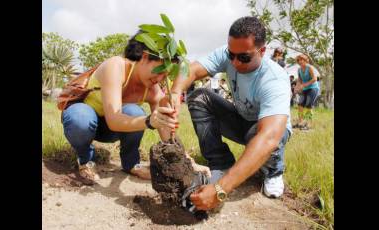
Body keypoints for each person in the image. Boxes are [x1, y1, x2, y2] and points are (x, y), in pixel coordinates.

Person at [165, 16, 292, 211]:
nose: (235, 62)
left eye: (244, 57)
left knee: (259, 136)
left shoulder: (274, 80)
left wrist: (220, 189)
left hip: (265, 130)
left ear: (262, 51)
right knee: (199, 97)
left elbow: (269, 137)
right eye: (231, 54)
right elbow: (192, 70)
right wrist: (175, 92)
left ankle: (273, 172)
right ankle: (220, 163)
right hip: (241, 118)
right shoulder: (230, 56)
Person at [61, 31, 181, 183]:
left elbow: (166, 130)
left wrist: (186, 160)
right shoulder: (116, 66)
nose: (159, 79)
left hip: (113, 131)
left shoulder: (153, 89)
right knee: (80, 118)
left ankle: (131, 164)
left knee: (135, 112)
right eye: (159, 71)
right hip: (85, 123)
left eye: (165, 76)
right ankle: (86, 160)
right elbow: (114, 119)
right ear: (144, 57)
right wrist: (149, 121)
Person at [293, 54, 320, 130]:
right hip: (305, 89)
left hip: (313, 88)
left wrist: (304, 85)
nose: (300, 61)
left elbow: (315, 79)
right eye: (298, 60)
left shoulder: (310, 68)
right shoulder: (299, 69)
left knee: (308, 105)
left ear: (305, 60)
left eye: (302, 60)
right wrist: (296, 87)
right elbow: (299, 80)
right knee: (300, 105)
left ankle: (309, 124)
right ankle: (300, 123)